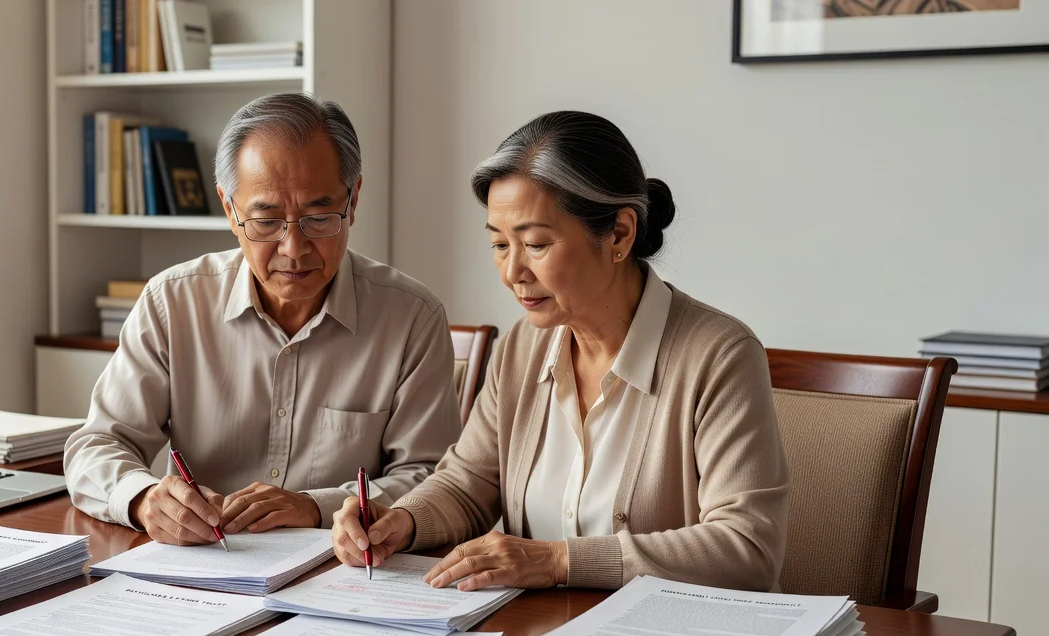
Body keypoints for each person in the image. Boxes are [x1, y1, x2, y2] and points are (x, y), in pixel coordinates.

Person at [331, 111, 791, 592]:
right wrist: (401, 522)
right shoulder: (521, 349)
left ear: (618, 234)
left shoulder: (719, 356)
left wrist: (558, 561)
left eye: (534, 244)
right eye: (499, 244)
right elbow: (468, 483)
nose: (512, 272)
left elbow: (747, 546)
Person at [65, 93, 462, 545]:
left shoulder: (411, 317)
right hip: (205, 570)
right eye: (267, 220)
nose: (294, 248)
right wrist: (142, 498)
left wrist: (318, 505)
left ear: (353, 201)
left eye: (318, 216)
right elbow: (96, 445)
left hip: (341, 575)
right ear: (229, 209)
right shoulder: (172, 302)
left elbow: (433, 478)